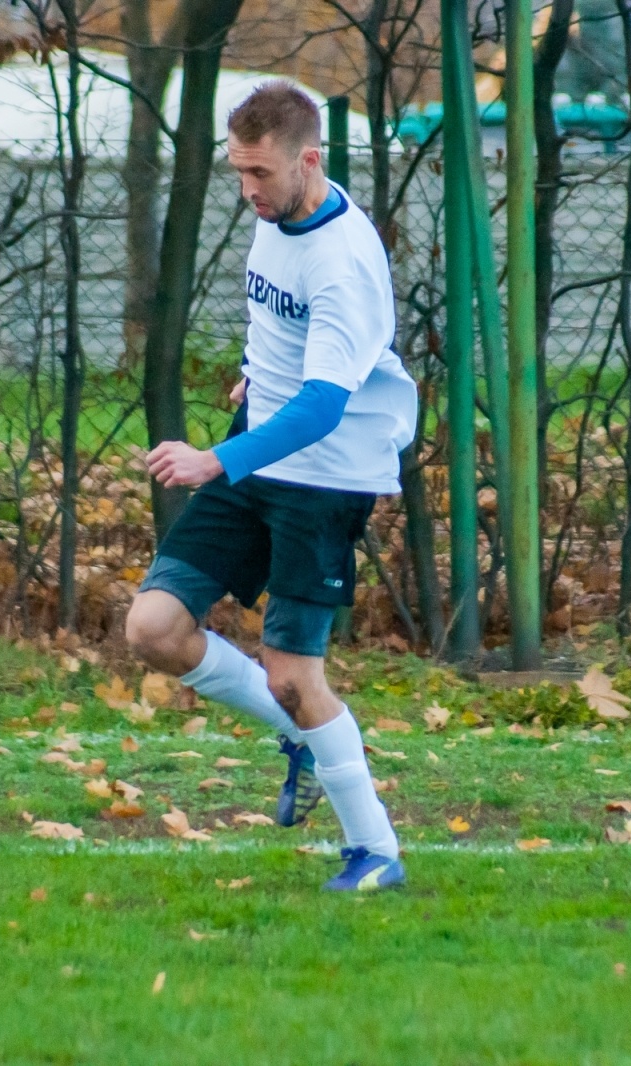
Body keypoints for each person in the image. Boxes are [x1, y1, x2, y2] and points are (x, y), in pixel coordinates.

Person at [125, 82, 418, 893]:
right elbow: (279, 332)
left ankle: (377, 852)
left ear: (308, 161)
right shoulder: (276, 220)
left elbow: (324, 405)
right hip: (260, 453)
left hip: (323, 477)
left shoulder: (343, 259)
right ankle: (298, 737)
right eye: (238, 173)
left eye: (260, 173)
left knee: (295, 676)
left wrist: (216, 459)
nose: (248, 191)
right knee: (152, 628)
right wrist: (254, 376)